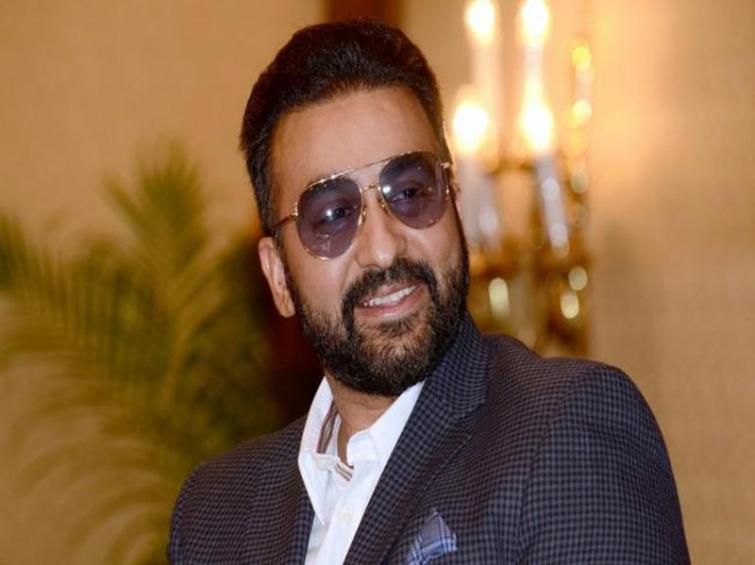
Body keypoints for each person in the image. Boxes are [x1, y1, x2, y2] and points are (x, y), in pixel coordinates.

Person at [168, 19, 689, 564]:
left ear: (456, 204)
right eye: (334, 215)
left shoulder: (561, 431)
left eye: (410, 192)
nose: (384, 247)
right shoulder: (214, 516)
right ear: (278, 276)